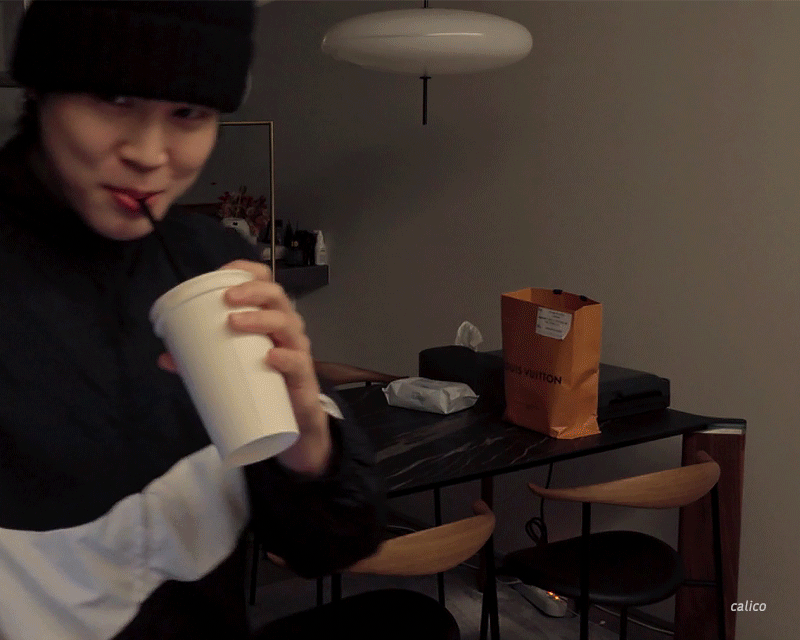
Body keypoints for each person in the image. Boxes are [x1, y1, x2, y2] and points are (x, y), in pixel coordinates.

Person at [0, 2, 458, 639]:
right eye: (113, 98)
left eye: (188, 112)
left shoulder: (213, 263)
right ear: (41, 91)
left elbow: (327, 545)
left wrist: (307, 432)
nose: (150, 154)